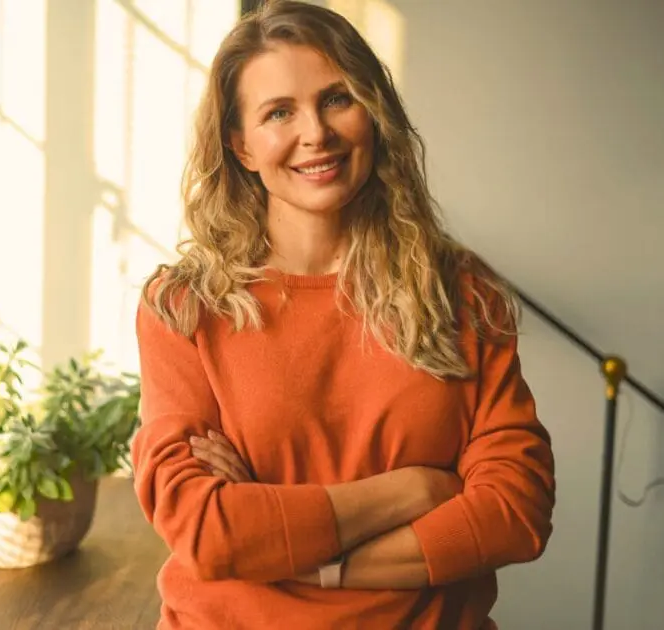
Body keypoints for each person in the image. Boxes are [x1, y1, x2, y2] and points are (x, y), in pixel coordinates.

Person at [131, 1, 556, 628]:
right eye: (279, 112)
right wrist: (413, 490)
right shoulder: (185, 307)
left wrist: (312, 562)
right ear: (241, 146)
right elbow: (206, 530)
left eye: (337, 99)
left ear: (374, 113)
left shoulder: (463, 294)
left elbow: (515, 511)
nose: (315, 134)